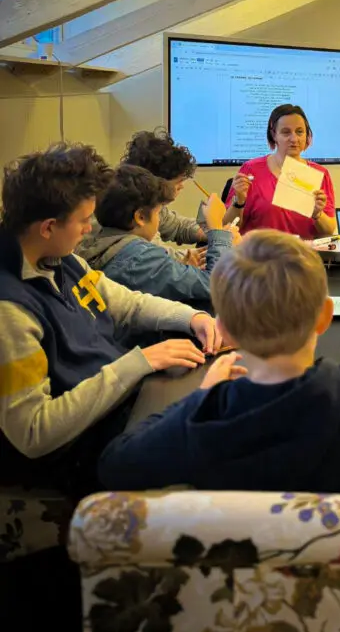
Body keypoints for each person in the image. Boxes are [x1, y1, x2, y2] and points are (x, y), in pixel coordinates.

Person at [98, 229, 340, 493]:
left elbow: (114, 465)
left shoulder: (203, 419)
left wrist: (200, 396)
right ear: (325, 317)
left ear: (225, 330)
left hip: (244, 598)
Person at [0, 143, 219, 493]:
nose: (90, 229)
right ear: (48, 227)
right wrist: (138, 363)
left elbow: (127, 304)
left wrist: (192, 318)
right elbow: (34, 433)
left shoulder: (63, 259)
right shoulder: (10, 311)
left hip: (118, 409)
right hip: (83, 450)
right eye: (85, 220)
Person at [79, 165, 238, 305]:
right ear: (140, 217)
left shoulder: (105, 244)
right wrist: (220, 232)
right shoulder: (138, 256)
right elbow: (216, 286)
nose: (159, 219)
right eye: (158, 212)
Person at [223, 104, 336, 238]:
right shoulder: (251, 169)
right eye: (286, 132)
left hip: (303, 255)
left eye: (300, 132)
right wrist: (239, 201)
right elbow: (227, 227)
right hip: (260, 255)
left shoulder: (320, 174)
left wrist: (318, 214)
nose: (294, 139)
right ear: (274, 135)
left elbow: (329, 230)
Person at [121, 128, 207, 257]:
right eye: (178, 181)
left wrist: (208, 232)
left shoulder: (150, 202)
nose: (181, 187)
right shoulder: (129, 210)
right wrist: (216, 246)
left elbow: (177, 226)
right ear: (158, 181)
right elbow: (159, 259)